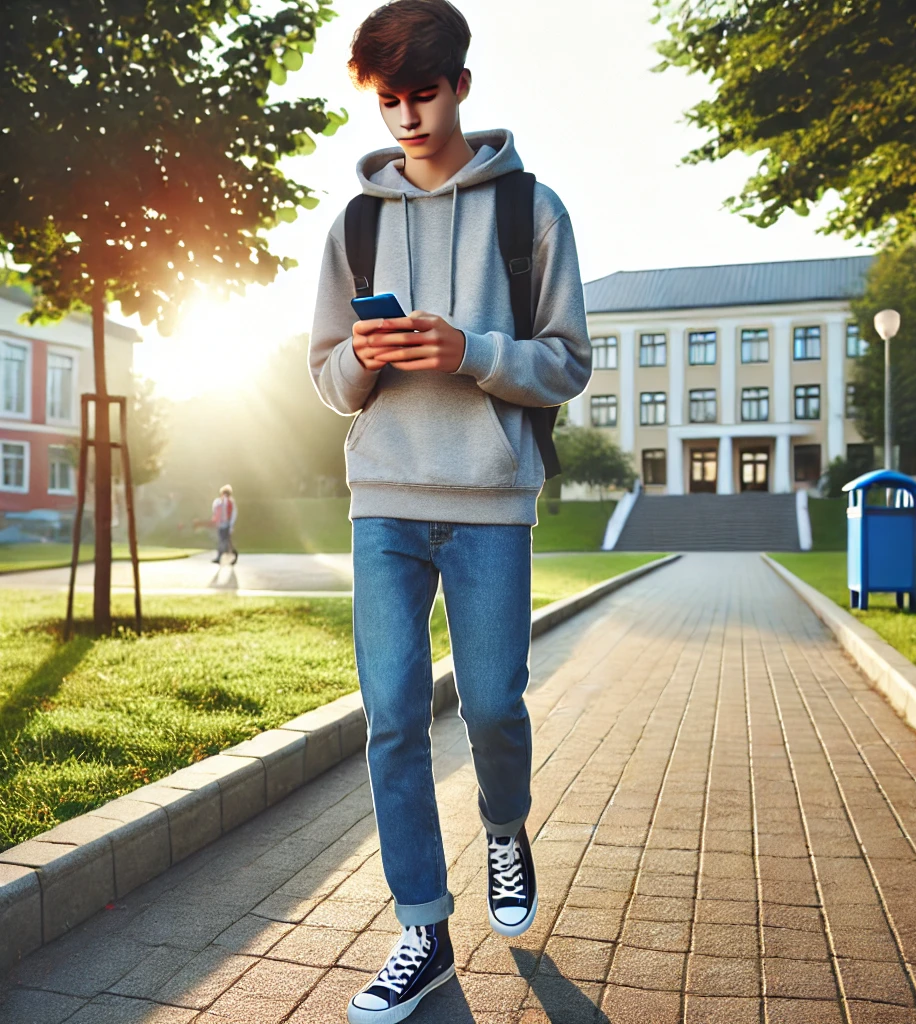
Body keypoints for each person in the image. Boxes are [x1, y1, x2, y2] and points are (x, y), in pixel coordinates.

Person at [308, 2, 591, 1020]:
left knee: (492, 706)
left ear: (461, 85)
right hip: (383, 500)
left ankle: (505, 825)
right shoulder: (357, 225)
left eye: (424, 93)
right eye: (388, 99)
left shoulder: (532, 212)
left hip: (488, 502)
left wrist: (467, 350)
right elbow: (326, 378)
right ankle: (422, 928)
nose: (408, 116)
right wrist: (367, 359)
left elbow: (566, 362)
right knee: (389, 716)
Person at [210, 484, 238, 565]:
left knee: (224, 541)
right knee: (223, 541)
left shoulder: (230, 502)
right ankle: (222, 556)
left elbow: (233, 514)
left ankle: (222, 556)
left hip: (227, 525)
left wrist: (231, 525)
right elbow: (215, 510)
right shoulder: (218, 501)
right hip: (220, 524)